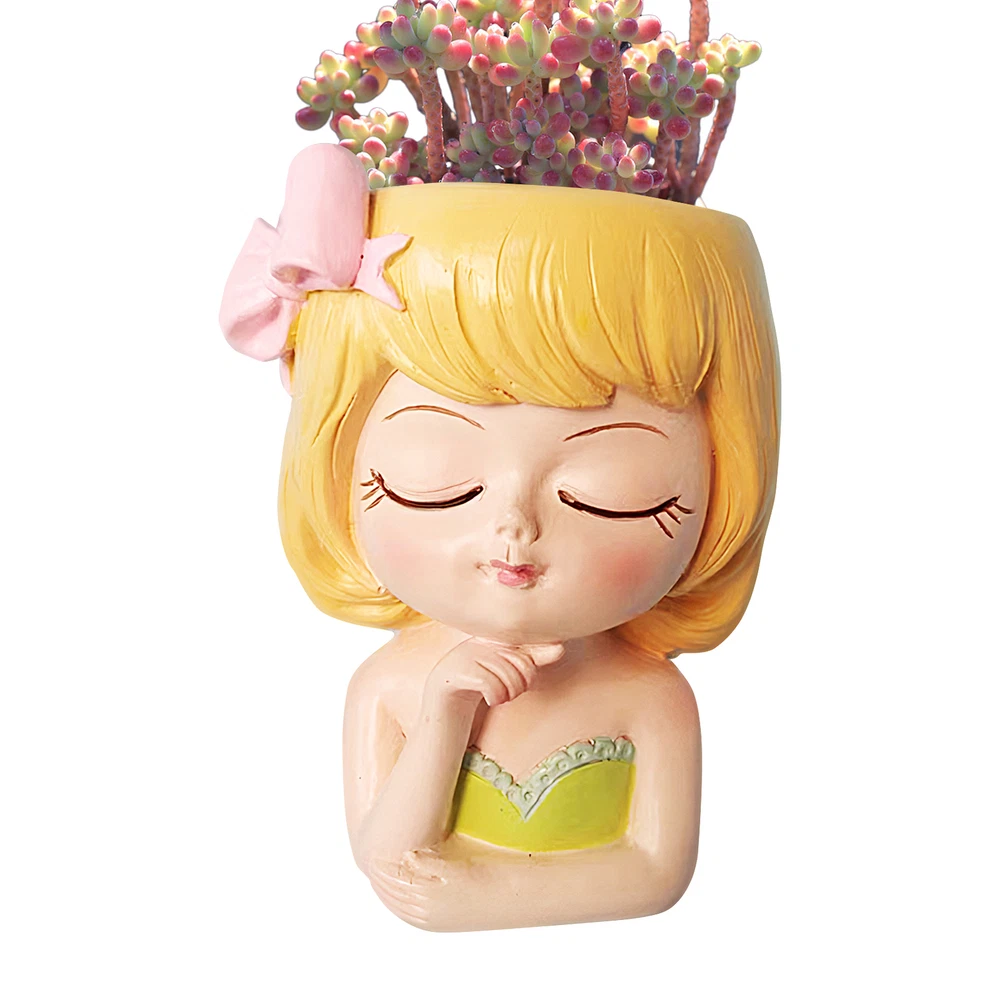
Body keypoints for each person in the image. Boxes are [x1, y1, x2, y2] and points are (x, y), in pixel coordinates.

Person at [221, 141, 779, 930]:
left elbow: (658, 871)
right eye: (437, 482)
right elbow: (384, 859)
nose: (515, 527)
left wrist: (488, 897)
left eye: (606, 494)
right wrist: (445, 709)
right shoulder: (391, 686)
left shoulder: (651, 697)